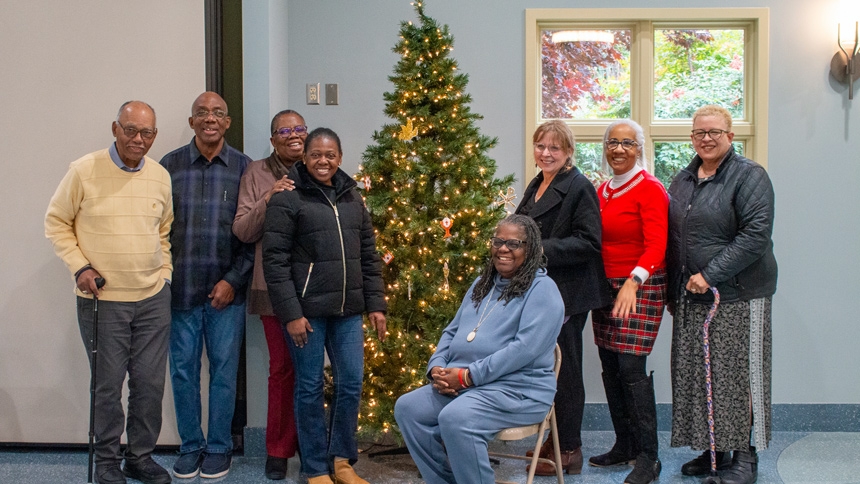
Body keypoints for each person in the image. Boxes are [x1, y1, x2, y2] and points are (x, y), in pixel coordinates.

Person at [45, 101, 173, 484]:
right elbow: (57, 222)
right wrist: (80, 266)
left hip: (152, 298)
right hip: (103, 300)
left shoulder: (160, 176)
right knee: (107, 386)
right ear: (115, 128)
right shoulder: (83, 170)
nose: (138, 139)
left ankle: (140, 457)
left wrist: (165, 275)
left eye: (147, 133)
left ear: (154, 135)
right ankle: (106, 462)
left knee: (149, 386)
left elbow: (163, 231)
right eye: (130, 130)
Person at [394, 214, 565, 484]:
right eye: (498, 241)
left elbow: (523, 350)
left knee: (456, 418)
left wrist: (467, 376)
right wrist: (437, 367)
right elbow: (452, 331)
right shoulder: (482, 284)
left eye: (514, 243)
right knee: (408, 408)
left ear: (530, 248)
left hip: (517, 390)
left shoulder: (543, 290)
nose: (503, 249)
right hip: (469, 386)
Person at [262, 127, 387, 484]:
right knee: (310, 387)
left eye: (330, 155)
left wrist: (376, 304)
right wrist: (292, 314)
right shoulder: (287, 197)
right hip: (307, 315)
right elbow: (275, 262)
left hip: (348, 312)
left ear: (340, 158)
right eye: (316, 154)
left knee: (351, 383)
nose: (323, 161)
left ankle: (343, 462)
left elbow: (368, 256)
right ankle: (315, 467)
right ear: (304, 157)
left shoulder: (352, 198)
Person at [667, 105, 777, 484]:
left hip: (739, 295)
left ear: (730, 136)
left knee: (738, 378)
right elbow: (675, 239)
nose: (707, 138)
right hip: (692, 296)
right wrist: (674, 291)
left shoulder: (749, 176)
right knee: (702, 376)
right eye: (700, 132)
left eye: (715, 132)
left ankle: (745, 458)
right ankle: (714, 450)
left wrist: (710, 274)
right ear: (692, 138)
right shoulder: (682, 180)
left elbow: (755, 235)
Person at [159, 91, 254, 480]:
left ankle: (218, 447)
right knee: (182, 371)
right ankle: (190, 446)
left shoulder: (245, 168)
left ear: (227, 122)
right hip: (180, 290)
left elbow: (254, 236)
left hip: (227, 294)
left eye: (217, 113)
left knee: (224, 373)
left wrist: (233, 280)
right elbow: (156, 229)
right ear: (192, 121)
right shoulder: (169, 166)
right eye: (202, 112)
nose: (209, 118)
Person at [514, 120, 611, 475]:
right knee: (547, 369)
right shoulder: (538, 183)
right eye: (541, 146)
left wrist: (537, 250)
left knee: (565, 370)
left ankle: (569, 449)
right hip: (542, 291)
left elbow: (589, 242)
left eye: (554, 147)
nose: (546, 153)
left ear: (569, 152)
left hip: (568, 293)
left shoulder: (579, 187)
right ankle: (552, 442)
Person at [588, 120, 669, 484]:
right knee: (610, 365)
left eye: (627, 143)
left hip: (639, 285)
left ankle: (649, 457)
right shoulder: (602, 190)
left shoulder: (650, 188)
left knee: (631, 368)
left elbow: (657, 245)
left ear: (639, 148)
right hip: (605, 287)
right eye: (612, 142)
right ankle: (625, 444)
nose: (618, 149)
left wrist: (633, 282)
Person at [233, 109, 307, 480]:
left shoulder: (319, 167)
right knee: (282, 370)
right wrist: (269, 197)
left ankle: (311, 447)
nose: (293, 135)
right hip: (272, 288)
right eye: (284, 130)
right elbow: (243, 230)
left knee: (313, 373)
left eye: (299, 128)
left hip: (315, 289)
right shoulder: (256, 173)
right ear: (273, 138)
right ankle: (278, 449)